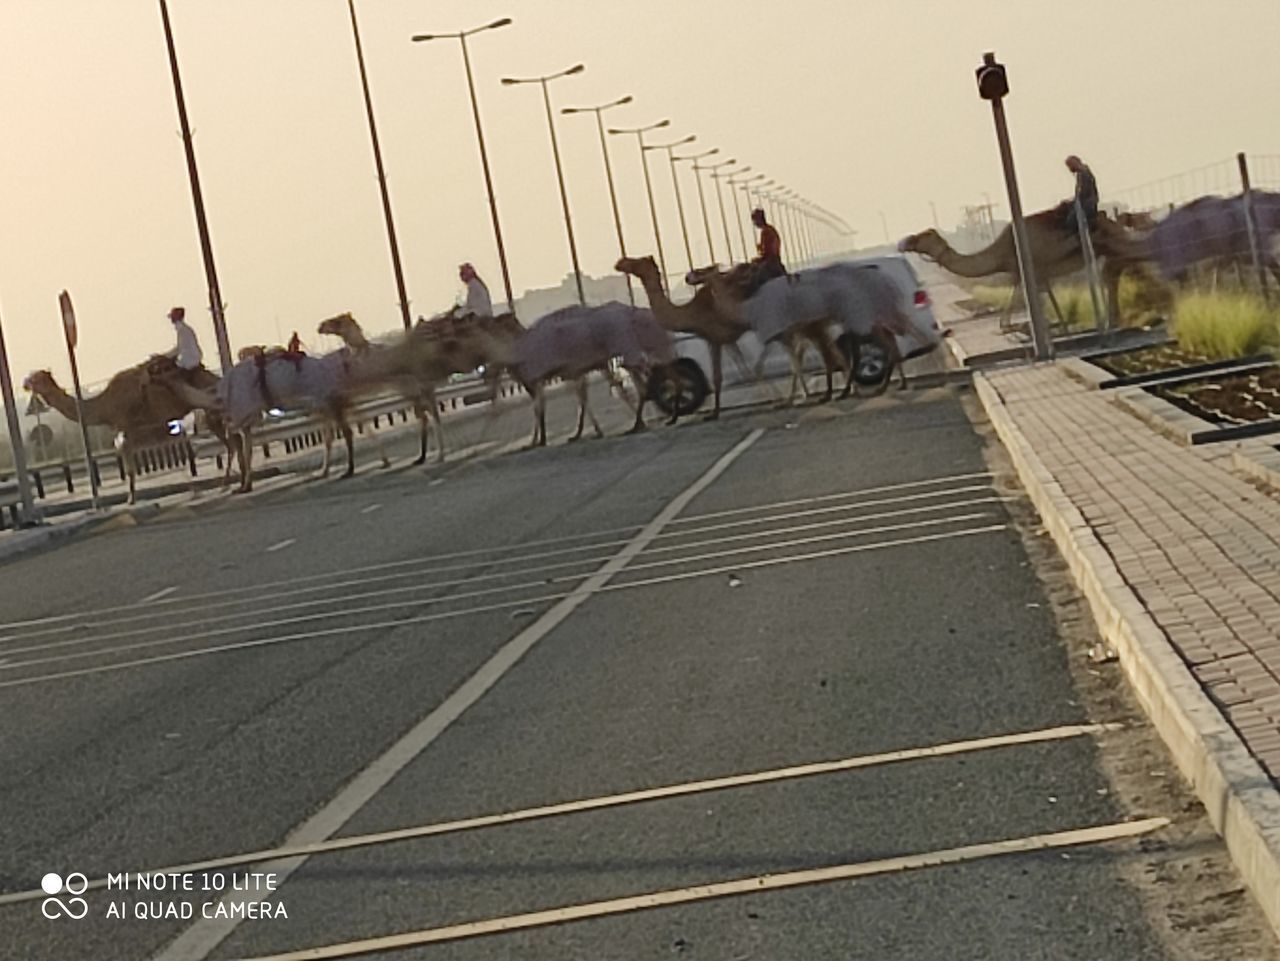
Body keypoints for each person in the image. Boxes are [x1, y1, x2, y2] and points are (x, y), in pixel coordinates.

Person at [163, 306, 203, 381]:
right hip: (191, 359)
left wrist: (166, 356)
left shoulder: (183, 330)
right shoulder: (184, 329)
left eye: (173, 317)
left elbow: (180, 349)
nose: (171, 319)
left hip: (190, 361)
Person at [1062, 155, 1098, 236]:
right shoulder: (1082, 172)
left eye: (1069, 166)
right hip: (1088, 202)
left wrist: (1075, 201)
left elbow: (1083, 192)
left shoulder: (1083, 173)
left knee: (1070, 220)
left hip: (1088, 204)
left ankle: (1079, 237)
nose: (1069, 169)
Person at [751, 208, 786, 281]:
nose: (754, 223)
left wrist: (759, 252)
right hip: (774, 259)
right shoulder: (771, 229)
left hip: (770, 262)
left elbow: (767, 252)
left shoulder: (766, 232)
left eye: (754, 220)